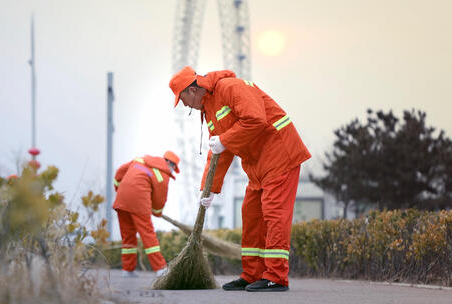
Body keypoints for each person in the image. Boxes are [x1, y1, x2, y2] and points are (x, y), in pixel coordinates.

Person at [169, 66, 311, 292]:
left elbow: (255, 120)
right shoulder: (210, 110)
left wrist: (224, 140)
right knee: (251, 214)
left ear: (193, 89)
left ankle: (276, 276)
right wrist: (208, 190)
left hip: (281, 155)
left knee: (274, 213)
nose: (184, 105)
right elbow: (219, 152)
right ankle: (252, 275)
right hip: (258, 165)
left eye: (182, 98)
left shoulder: (230, 88)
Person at [112, 151, 180, 278]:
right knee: (148, 235)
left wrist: (118, 188)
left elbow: (119, 172)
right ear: (171, 164)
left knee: (128, 236)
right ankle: (160, 269)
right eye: (174, 169)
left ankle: (128, 270)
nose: (172, 171)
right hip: (138, 203)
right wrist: (157, 212)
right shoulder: (162, 175)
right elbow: (160, 200)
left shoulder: (139, 160)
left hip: (121, 200)